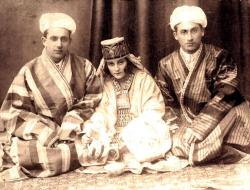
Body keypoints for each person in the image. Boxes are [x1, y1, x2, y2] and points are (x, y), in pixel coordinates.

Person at [0, 13, 102, 180]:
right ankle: (75, 156)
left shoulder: (84, 66)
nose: (59, 44)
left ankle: (70, 154)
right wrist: (43, 131)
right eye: (53, 39)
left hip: (76, 129)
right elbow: (14, 110)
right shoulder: (29, 70)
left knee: (93, 144)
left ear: (70, 41)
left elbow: (94, 97)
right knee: (29, 151)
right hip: (44, 134)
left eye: (64, 39)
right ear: (44, 40)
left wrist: (72, 121)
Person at [155, 5, 250, 165]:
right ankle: (224, 151)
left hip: (223, 115)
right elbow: (167, 104)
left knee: (239, 120)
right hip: (186, 120)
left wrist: (199, 128)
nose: (190, 37)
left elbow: (227, 94)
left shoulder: (220, 56)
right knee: (178, 144)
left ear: (203, 32)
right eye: (184, 32)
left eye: (194, 30)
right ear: (175, 35)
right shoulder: (165, 64)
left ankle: (220, 148)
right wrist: (181, 128)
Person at [75, 37, 182, 175]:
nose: (116, 68)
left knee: (150, 138)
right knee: (91, 140)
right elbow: (101, 113)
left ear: (127, 61)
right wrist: (93, 129)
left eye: (120, 62)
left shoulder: (143, 79)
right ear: (106, 65)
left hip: (139, 131)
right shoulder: (106, 84)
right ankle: (118, 152)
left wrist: (130, 131)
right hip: (113, 131)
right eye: (111, 64)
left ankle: (121, 153)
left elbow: (154, 110)